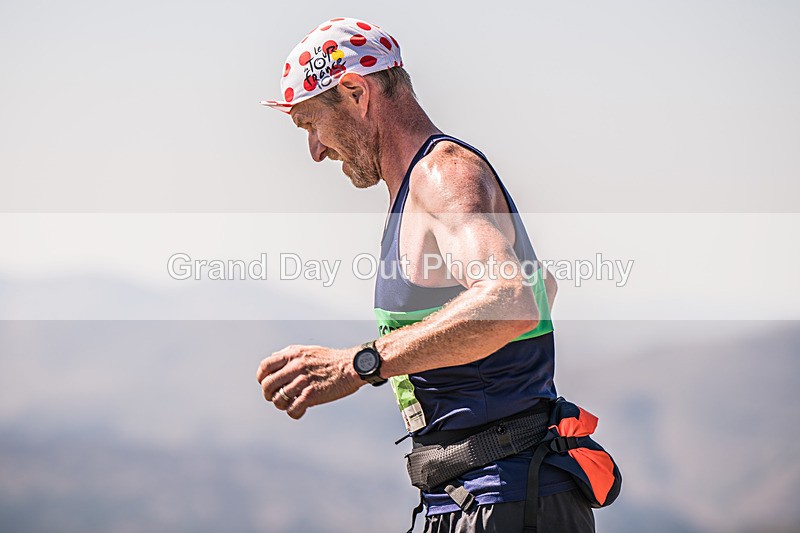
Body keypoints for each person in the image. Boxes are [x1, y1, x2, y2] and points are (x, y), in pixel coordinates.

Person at [257, 17, 596, 532]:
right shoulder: (414, 187)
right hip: (470, 496)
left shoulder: (442, 176)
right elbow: (539, 286)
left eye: (311, 125)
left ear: (355, 92)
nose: (316, 150)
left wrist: (360, 364)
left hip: (506, 497)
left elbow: (512, 299)